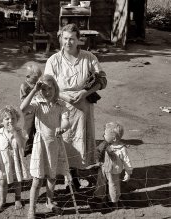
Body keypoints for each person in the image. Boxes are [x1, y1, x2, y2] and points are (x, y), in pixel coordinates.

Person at [44, 23, 107, 189]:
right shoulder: (54, 60)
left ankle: (75, 175)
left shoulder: (89, 58)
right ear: (60, 39)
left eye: (72, 39)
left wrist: (84, 93)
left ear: (79, 40)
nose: (68, 42)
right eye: (65, 38)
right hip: (61, 108)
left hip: (83, 109)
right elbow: (46, 86)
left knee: (79, 142)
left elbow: (102, 80)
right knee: (64, 141)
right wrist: (63, 95)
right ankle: (65, 176)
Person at [20, 75, 70, 219]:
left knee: (52, 177)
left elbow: (67, 121)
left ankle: (50, 201)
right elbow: (23, 108)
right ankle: (32, 208)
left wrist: (62, 128)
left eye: (50, 88)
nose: (47, 92)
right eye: (44, 89)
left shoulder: (61, 105)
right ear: (39, 90)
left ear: (55, 88)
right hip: (40, 144)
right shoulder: (37, 103)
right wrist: (34, 90)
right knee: (37, 179)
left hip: (55, 144)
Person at [0, 106, 29, 212]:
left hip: (16, 161)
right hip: (3, 161)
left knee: (17, 181)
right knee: (3, 182)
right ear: (2, 121)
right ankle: (2, 201)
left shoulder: (21, 131)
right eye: (7, 119)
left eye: (13, 118)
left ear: (17, 119)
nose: (10, 121)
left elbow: (21, 145)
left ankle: (18, 199)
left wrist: (14, 132)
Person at [90, 122, 133, 209]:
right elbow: (97, 152)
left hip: (114, 172)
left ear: (113, 138)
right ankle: (99, 199)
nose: (103, 135)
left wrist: (128, 172)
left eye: (105, 134)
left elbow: (126, 161)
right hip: (103, 169)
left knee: (113, 186)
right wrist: (96, 162)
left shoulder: (121, 149)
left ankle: (114, 202)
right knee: (100, 184)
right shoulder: (104, 144)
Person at [20, 64, 42, 157]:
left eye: (39, 77)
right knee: (28, 129)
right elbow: (23, 100)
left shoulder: (38, 84)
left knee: (38, 129)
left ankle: (36, 146)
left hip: (38, 110)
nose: (38, 79)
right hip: (29, 112)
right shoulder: (24, 86)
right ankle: (25, 147)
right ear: (28, 76)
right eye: (35, 77)